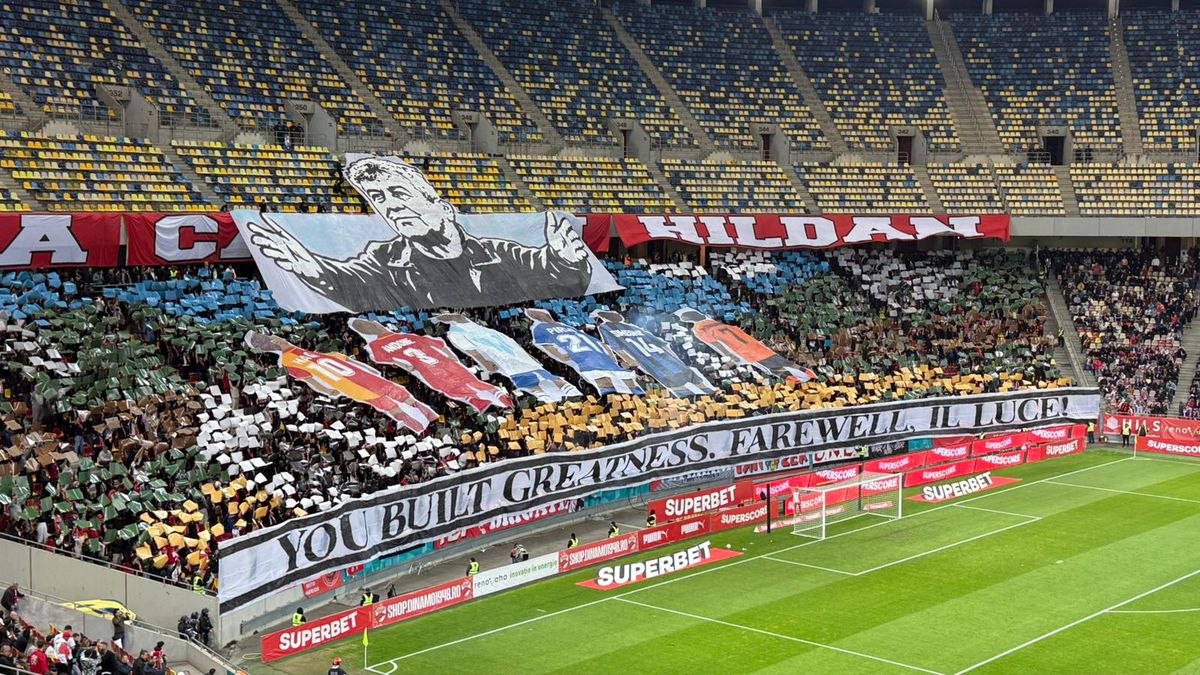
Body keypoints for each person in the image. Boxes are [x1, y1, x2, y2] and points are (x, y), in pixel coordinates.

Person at [243, 155, 593, 311]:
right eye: (380, 200)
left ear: (442, 206)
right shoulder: (384, 258)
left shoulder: (499, 252)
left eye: (398, 193)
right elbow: (351, 281)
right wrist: (314, 269)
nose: (391, 206)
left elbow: (549, 272)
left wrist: (566, 261)